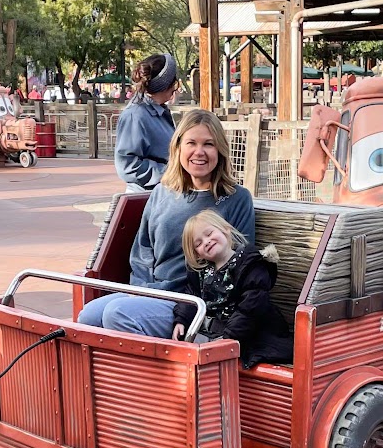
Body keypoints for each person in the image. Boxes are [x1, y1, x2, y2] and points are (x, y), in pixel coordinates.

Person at [77, 109, 253, 339]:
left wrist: (171, 296)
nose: (199, 152)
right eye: (191, 143)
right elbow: (143, 250)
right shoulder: (162, 192)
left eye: (208, 144)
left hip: (191, 302)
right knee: (89, 316)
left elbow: (238, 261)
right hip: (150, 292)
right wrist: (142, 290)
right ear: (178, 147)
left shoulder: (236, 198)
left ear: (220, 149)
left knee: (118, 314)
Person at [172, 210, 292, 367]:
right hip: (210, 333)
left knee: (209, 361)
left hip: (247, 335)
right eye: (198, 244)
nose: (206, 242)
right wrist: (182, 320)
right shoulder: (200, 273)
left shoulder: (250, 265)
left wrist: (228, 339)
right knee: (181, 352)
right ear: (198, 254)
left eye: (209, 234)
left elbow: (250, 308)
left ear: (226, 230)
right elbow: (191, 297)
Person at [114, 55, 178, 192]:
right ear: (166, 85)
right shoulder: (135, 115)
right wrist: (170, 172)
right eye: (174, 81)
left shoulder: (158, 110)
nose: (176, 87)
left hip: (164, 191)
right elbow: (127, 166)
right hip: (147, 196)